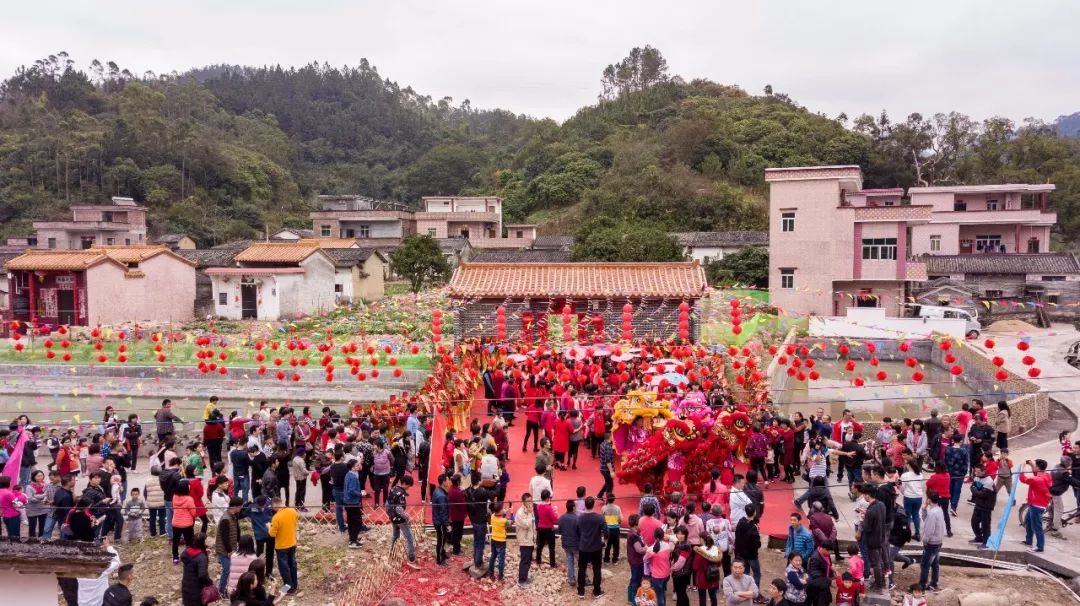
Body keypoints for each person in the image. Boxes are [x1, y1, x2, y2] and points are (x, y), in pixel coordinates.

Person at [387, 475, 420, 570]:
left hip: (393, 517)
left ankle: (391, 553)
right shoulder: (400, 494)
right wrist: (408, 517)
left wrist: (390, 515)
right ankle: (411, 558)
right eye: (408, 486)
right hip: (400, 519)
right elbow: (399, 509)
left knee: (395, 535)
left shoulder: (393, 489)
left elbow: (388, 503)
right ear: (404, 483)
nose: (409, 488)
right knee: (409, 537)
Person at [1020, 459, 1052, 553]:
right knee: (1028, 522)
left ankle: (1040, 547)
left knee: (1037, 527)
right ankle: (1028, 541)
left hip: (1036, 506)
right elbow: (1036, 474)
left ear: (1038, 467)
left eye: (1035, 465)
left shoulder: (1037, 479)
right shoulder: (1047, 475)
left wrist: (1022, 468)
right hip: (1038, 504)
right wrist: (1031, 465)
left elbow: (1023, 478)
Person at [577, 496, 606, 598]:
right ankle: (596, 591)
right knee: (597, 569)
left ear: (585, 505)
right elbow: (606, 532)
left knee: (581, 569)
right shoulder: (599, 518)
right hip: (596, 548)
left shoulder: (580, 518)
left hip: (583, 547)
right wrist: (604, 541)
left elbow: (577, 532)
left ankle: (581, 592)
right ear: (593, 504)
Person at [268, 497, 300, 593]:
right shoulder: (293, 511)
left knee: (284, 568)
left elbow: (272, 534)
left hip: (281, 546)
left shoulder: (276, 517)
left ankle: (288, 588)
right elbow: (295, 522)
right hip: (292, 542)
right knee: (292, 564)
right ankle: (294, 584)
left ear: (274, 505)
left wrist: (269, 527)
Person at [215, 497, 245, 596]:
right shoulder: (226, 519)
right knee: (227, 569)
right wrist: (229, 551)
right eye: (240, 506)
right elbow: (224, 537)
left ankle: (229, 588)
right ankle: (221, 590)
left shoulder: (234, 515)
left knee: (231, 569)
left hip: (232, 547)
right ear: (235, 507)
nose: (241, 508)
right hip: (224, 549)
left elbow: (236, 530)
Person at [918, 491, 945, 593]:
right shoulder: (938, 510)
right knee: (935, 564)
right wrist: (924, 508)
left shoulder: (932, 513)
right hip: (938, 541)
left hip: (931, 543)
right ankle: (934, 583)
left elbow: (929, 529)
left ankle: (922, 585)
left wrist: (925, 540)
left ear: (929, 500)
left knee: (925, 565)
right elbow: (926, 519)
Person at [180, 533, 212, 606]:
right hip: (197, 589)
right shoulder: (201, 557)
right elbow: (202, 575)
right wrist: (209, 583)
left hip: (186, 586)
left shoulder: (186, 552)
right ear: (202, 543)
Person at [643, 527, 673, 606]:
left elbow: (645, 560)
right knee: (662, 593)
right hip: (666, 574)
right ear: (663, 536)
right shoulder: (667, 546)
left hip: (657, 576)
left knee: (659, 596)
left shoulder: (650, 549)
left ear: (654, 536)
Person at [734, 504, 762, 588]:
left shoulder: (740, 523)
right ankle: (755, 593)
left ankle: (744, 590)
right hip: (752, 555)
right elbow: (757, 544)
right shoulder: (754, 527)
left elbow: (737, 537)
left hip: (741, 554)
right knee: (756, 573)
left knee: (745, 573)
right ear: (754, 512)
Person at [170, 481, 196, 564]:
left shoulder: (174, 497)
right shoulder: (189, 499)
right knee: (189, 541)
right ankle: (189, 556)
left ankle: (175, 557)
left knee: (176, 541)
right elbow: (193, 513)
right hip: (187, 524)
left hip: (176, 523)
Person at [693, 533, 723, 606]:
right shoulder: (716, 550)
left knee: (702, 597)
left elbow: (695, 567)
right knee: (713, 596)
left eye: (699, 538)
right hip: (713, 576)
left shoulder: (700, 552)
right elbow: (718, 564)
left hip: (702, 578)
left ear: (703, 539)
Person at [899, 461, 925, 541]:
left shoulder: (904, 476)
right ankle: (917, 533)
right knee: (916, 514)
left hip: (908, 497)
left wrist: (903, 493)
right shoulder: (920, 475)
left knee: (907, 515)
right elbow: (922, 487)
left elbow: (902, 487)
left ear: (909, 465)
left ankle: (907, 533)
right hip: (918, 497)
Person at [557, 499, 580, 586]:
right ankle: (584, 578)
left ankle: (571, 579)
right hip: (576, 544)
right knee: (580, 562)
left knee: (569, 561)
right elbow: (580, 532)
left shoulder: (562, 518)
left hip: (566, 543)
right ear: (573, 507)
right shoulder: (577, 518)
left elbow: (559, 531)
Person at [669, 525, 693, 606]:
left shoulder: (685, 546)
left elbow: (680, 562)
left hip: (681, 573)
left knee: (681, 593)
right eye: (678, 533)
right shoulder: (679, 543)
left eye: (682, 534)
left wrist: (671, 568)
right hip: (680, 572)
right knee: (681, 593)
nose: (680, 535)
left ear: (685, 534)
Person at [627, 514, 647, 605]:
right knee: (636, 579)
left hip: (634, 560)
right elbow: (639, 550)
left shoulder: (633, 532)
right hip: (636, 561)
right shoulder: (634, 535)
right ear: (636, 524)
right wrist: (647, 548)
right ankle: (634, 600)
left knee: (633, 579)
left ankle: (630, 597)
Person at [516, 493, 536, 584]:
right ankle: (522, 580)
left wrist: (534, 537)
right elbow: (527, 525)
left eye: (531, 500)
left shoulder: (529, 510)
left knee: (528, 559)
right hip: (524, 541)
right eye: (528, 501)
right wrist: (529, 513)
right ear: (523, 501)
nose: (530, 503)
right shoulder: (520, 513)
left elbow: (533, 525)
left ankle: (525, 577)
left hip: (530, 540)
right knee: (524, 560)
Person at [535, 488, 558, 567]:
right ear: (548, 498)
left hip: (541, 527)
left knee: (540, 545)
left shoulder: (538, 506)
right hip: (549, 528)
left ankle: (538, 560)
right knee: (551, 547)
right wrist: (555, 512)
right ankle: (552, 563)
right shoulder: (549, 508)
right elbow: (555, 519)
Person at [488, 500, 509, 581]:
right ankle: (500, 576)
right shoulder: (503, 521)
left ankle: (491, 574)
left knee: (493, 556)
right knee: (501, 559)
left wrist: (503, 512)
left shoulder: (492, 516)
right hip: (501, 541)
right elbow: (510, 522)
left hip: (493, 539)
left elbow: (498, 515)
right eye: (502, 508)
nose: (504, 509)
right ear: (500, 511)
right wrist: (510, 513)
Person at [602, 493, 623, 563]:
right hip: (615, 529)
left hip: (607, 529)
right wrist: (618, 523)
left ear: (607, 499)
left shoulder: (604, 508)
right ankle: (615, 559)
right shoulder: (617, 508)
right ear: (614, 499)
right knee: (616, 545)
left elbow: (602, 518)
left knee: (607, 545)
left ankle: (606, 559)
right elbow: (620, 519)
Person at [598, 431, 616, 499]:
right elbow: (608, 460)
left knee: (607, 483)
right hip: (607, 470)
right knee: (610, 485)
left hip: (603, 468)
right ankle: (608, 501)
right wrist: (611, 471)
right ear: (610, 437)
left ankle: (600, 495)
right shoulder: (608, 447)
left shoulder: (603, 444)